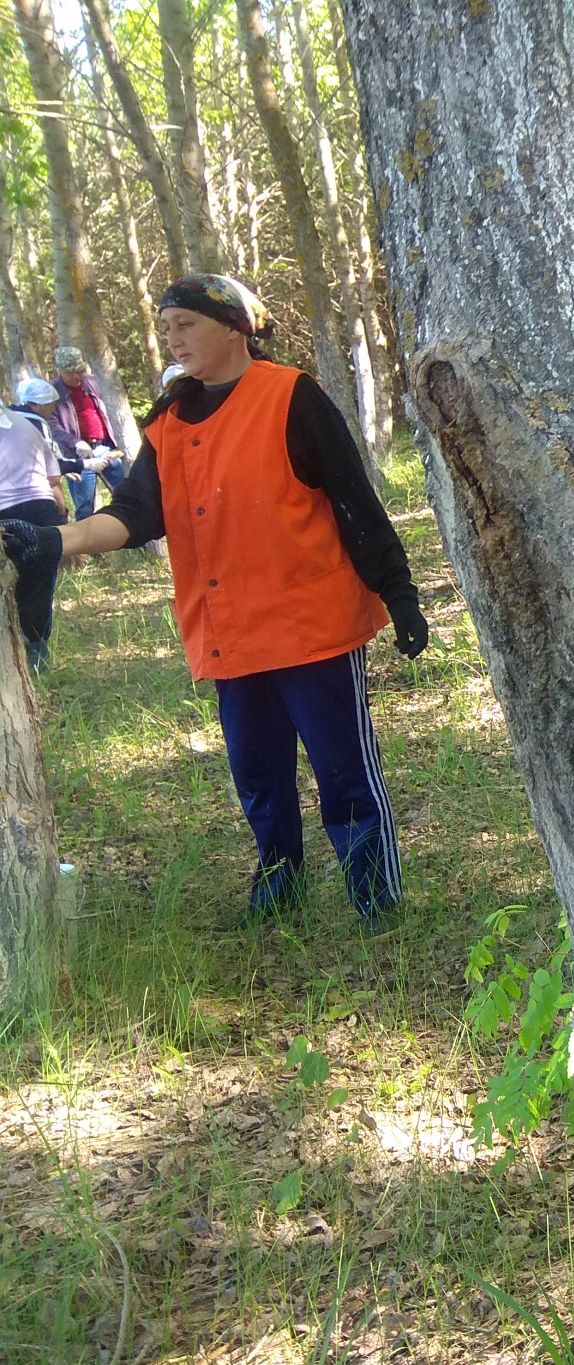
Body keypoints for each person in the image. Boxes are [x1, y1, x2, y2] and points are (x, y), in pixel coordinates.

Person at [1, 275, 429, 931]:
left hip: (309, 626)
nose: (172, 338)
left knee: (344, 772)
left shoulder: (291, 395)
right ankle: (280, 891)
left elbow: (353, 500)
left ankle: (377, 900)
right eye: (166, 326)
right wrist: (50, 540)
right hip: (229, 634)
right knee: (258, 778)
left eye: (185, 324)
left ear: (234, 327)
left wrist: (398, 593)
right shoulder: (170, 424)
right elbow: (137, 514)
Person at [0, 383, 69, 669]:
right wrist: (60, 517)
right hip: (41, 506)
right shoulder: (26, 424)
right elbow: (54, 478)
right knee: (38, 584)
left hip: (6, 510)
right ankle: (37, 652)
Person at [13, 377, 110, 521]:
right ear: (38, 405)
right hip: (30, 495)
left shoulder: (13, 417)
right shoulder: (36, 424)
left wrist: (67, 465)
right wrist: (84, 464)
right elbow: (49, 468)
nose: (54, 409)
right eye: (51, 404)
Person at [51, 346, 127, 514]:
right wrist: (76, 442)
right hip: (78, 456)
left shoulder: (91, 382)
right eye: (70, 372)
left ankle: (133, 537)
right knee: (85, 507)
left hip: (105, 448)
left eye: (79, 370)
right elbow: (53, 426)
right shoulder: (54, 393)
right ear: (60, 370)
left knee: (125, 495)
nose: (76, 376)